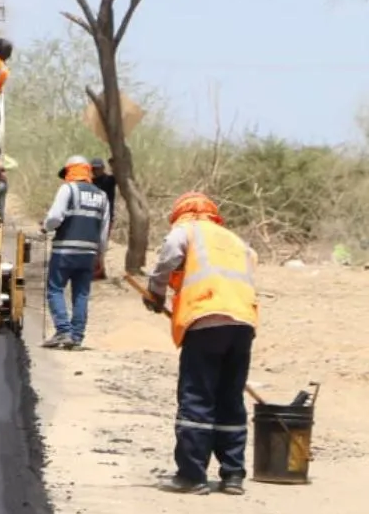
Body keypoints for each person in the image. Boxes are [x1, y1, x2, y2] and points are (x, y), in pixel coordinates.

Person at [143, 192, 259, 496]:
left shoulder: (188, 230)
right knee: (230, 398)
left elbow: (169, 253)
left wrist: (155, 290)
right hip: (243, 323)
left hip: (206, 320)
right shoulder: (234, 240)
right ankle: (233, 475)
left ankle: (192, 475)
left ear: (183, 213)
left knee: (197, 397)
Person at [40, 155, 112, 350]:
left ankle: (63, 330)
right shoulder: (102, 196)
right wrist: (100, 255)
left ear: (71, 171)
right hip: (88, 253)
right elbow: (104, 231)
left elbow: (55, 217)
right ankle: (77, 336)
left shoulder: (68, 189)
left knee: (55, 289)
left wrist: (46, 227)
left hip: (65, 250)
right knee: (81, 294)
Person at [89, 159, 119, 282]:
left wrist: (113, 164)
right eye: (94, 168)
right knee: (93, 244)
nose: (96, 171)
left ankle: (99, 272)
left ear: (103, 168)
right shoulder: (90, 182)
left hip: (107, 217)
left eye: (98, 168)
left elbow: (119, 174)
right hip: (92, 217)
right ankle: (96, 271)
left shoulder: (110, 180)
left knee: (102, 243)